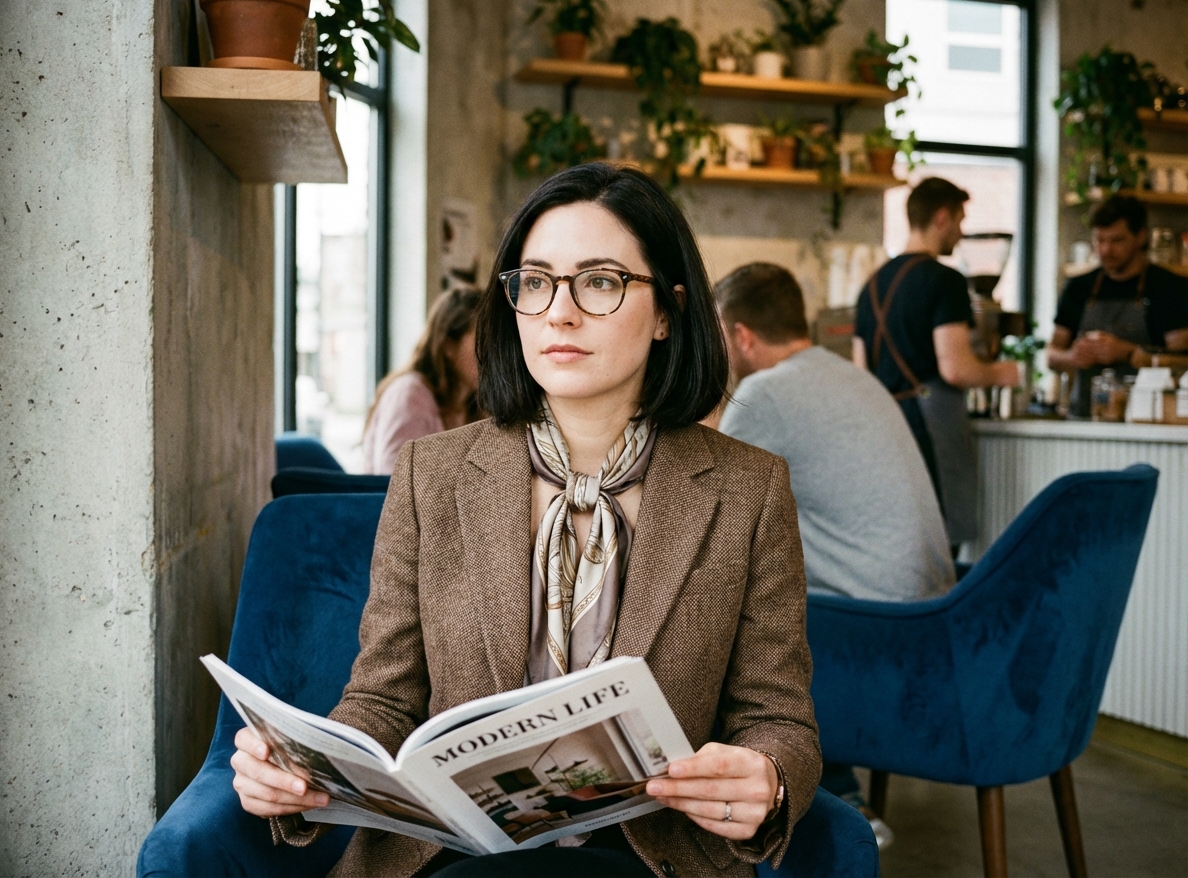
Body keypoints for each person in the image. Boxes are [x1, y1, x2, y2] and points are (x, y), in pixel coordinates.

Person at [232, 163, 821, 877]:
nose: (559, 313)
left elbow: (779, 716)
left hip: (648, 856)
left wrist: (769, 773)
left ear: (667, 310)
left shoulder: (746, 490)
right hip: (453, 857)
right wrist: (303, 769)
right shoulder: (433, 475)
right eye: (536, 282)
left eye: (600, 282)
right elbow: (383, 698)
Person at [716, 263, 954, 602]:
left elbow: (718, 519)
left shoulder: (763, 392)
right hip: (935, 601)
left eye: (717, 336)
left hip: (874, 616)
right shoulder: (855, 377)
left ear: (742, 335)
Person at [853, 177, 1020, 549]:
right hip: (931, 423)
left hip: (884, 425)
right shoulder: (945, 280)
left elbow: (861, 372)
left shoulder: (872, 285)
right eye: (959, 221)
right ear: (941, 218)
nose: (960, 234)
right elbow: (955, 368)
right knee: (940, 543)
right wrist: (1004, 373)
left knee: (900, 538)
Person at [1046, 194, 1188, 416]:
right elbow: (1052, 355)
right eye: (1099, 240)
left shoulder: (1169, 288)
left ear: (1140, 237)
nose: (1105, 250)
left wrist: (1129, 353)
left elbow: (1181, 363)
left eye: (1116, 241)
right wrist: (1073, 357)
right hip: (1083, 417)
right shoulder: (1079, 287)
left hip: (1146, 418)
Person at [363, 285, 481, 474]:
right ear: (448, 346)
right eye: (484, 341)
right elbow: (394, 484)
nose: (497, 355)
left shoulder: (473, 405)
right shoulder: (410, 395)